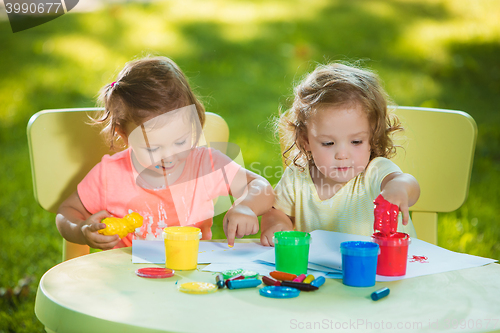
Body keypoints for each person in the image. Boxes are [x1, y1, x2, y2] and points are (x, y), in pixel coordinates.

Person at [56, 56, 274, 249]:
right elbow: (67, 212)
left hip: (193, 276)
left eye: (180, 141)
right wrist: (82, 231)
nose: (168, 156)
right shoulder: (110, 175)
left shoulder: (204, 164)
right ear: (124, 135)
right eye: (153, 148)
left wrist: (246, 206)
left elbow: (261, 186)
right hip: (130, 279)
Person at [260, 62, 420, 246]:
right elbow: (276, 211)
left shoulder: (375, 172)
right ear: (306, 140)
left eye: (356, 142)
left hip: (387, 269)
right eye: (328, 143)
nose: (342, 155)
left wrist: (399, 188)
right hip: (324, 273)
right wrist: (277, 224)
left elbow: (409, 186)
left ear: (372, 136)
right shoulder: (297, 178)